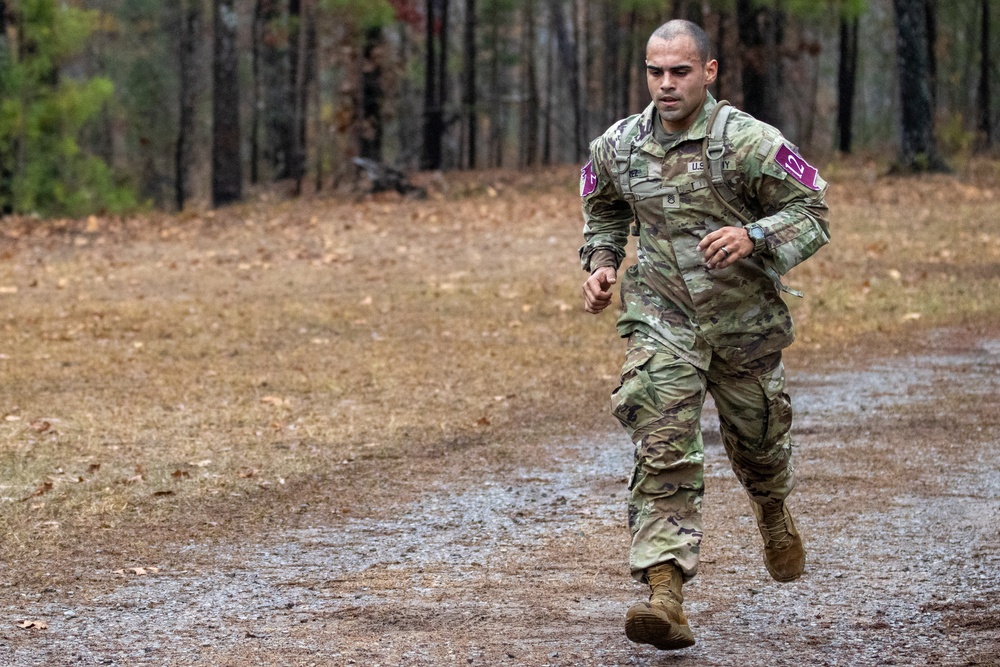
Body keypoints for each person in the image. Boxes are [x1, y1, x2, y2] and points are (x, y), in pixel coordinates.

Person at [579, 19, 830, 651]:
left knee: (759, 444)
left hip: (742, 322)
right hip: (662, 319)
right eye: (655, 72)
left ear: (709, 72)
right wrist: (602, 264)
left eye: (680, 71)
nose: (665, 84)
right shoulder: (618, 145)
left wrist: (756, 235)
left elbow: (812, 211)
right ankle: (665, 596)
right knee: (663, 444)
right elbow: (604, 208)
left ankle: (773, 512)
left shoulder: (747, 141)